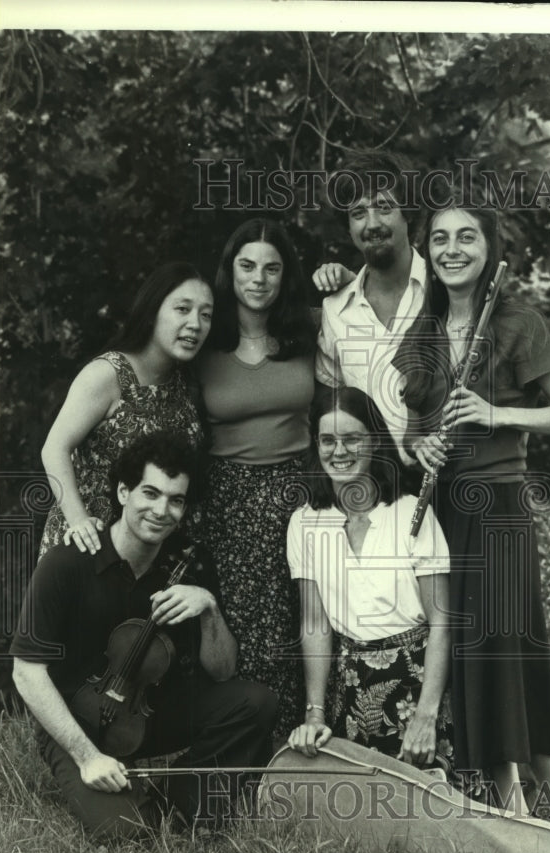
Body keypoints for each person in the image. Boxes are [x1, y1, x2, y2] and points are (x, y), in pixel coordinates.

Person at [394, 203, 550, 830]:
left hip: (500, 505)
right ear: (427, 251)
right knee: (476, 652)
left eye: (466, 237)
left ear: (488, 247)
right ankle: (507, 804)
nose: (452, 249)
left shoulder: (515, 322)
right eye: (440, 239)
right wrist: (415, 444)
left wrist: (497, 413)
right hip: (446, 510)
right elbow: (413, 431)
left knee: (514, 645)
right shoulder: (421, 333)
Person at [11, 431, 278, 841]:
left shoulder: (189, 563)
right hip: (78, 726)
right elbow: (27, 673)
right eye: (150, 494)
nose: (161, 510)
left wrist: (208, 607)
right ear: (123, 492)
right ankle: (130, 798)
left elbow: (223, 673)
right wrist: (87, 757)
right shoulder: (68, 563)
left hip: (147, 712)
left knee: (256, 703)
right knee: (128, 833)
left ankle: (179, 798)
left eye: (176, 500)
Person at [286, 387, 455, 774]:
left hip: (419, 683)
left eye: (352, 439)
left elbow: (442, 620)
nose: (339, 451)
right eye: (328, 440)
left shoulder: (411, 512)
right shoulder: (305, 522)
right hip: (352, 687)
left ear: (374, 441)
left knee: (435, 808)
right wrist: (315, 713)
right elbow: (314, 624)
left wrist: (427, 714)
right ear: (316, 445)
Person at [196, 219, 317, 738]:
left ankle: (305, 736)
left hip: (300, 491)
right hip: (229, 494)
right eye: (247, 265)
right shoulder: (205, 340)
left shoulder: (309, 328)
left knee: (306, 611)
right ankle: (249, 742)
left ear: (286, 275)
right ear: (230, 271)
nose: (259, 278)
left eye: (272, 267)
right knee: (244, 621)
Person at [39, 261, 212, 558]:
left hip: (149, 556)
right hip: (89, 548)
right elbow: (54, 448)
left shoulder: (185, 383)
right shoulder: (108, 374)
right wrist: (79, 521)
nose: (195, 324)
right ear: (152, 312)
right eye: (182, 309)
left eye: (205, 314)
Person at [314, 150, 426, 463]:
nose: (372, 223)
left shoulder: (444, 291)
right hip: (375, 490)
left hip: (450, 480)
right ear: (348, 226)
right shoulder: (336, 310)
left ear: (409, 213)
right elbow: (333, 404)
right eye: (358, 213)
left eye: (384, 207)